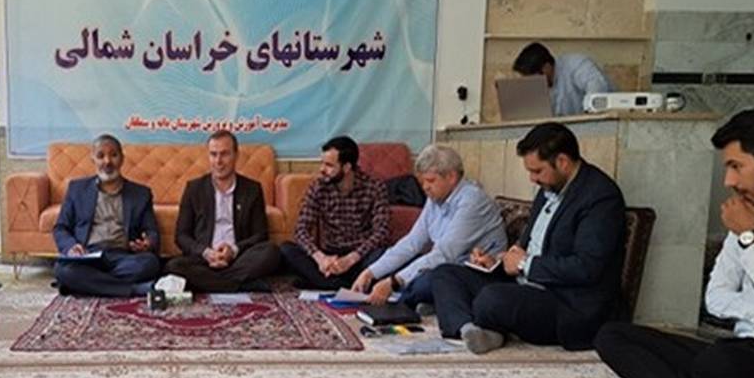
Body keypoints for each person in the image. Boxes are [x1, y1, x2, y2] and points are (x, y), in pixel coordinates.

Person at [595, 108, 754, 378]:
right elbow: (715, 299)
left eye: (736, 166)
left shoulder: (748, 225)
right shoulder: (748, 214)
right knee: (612, 336)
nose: (728, 182)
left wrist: (752, 239)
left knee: (719, 363)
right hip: (744, 348)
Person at [431, 122, 626, 353]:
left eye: (537, 171)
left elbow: (586, 267)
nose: (532, 179)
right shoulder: (549, 188)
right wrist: (497, 262)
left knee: (492, 299)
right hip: (526, 284)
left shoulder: (600, 197)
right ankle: (469, 329)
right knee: (445, 274)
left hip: (565, 302)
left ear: (562, 162)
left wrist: (524, 264)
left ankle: (485, 324)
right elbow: (528, 247)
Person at [351, 144, 507, 310]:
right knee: (379, 260)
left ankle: (409, 300)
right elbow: (412, 242)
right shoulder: (435, 198)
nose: (425, 187)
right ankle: (415, 299)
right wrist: (370, 273)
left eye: (431, 181)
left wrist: (393, 282)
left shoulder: (472, 200)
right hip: (445, 263)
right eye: (422, 182)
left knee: (426, 281)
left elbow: (445, 254)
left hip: (473, 271)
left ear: (451, 177)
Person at [167, 131, 281, 293]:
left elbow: (260, 235)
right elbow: (181, 236)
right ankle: (239, 284)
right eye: (213, 154)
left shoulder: (252, 189)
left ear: (236, 155)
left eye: (224, 154)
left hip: (238, 258)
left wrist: (233, 250)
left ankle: (213, 283)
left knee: (271, 252)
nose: (218, 161)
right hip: (205, 259)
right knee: (174, 266)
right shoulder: (194, 188)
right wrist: (207, 253)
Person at [52, 134, 161, 297]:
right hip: (88, 256)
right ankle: (133, 289)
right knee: (63, 269)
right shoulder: (77, 189)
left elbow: (152, 231)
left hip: (123, 257)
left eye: (113, 155)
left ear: (122, 159)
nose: (107, 162)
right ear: (93, 160)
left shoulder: (140, 193)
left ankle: (85, 285)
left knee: (150, 264)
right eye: (100, 156)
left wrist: (148, 243)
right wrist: (71, 246)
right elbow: (61, 228)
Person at [280, 136, 389, 290]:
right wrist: (320, 258)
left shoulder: (374, 187)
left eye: (329, 165)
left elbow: (382, 232)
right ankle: (345, 284)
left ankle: (327, 283)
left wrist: (351, 259)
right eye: (322, 163)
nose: (322, 169)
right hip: (330, 257)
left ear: (346, 167)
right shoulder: (318, 187)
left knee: (385, 255)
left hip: (360, 257)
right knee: (286, 249)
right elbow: (301, 229)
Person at [513, 41, 612, 117]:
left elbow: (597, 87)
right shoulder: (538, 88)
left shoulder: (576, 64)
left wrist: (589, 113)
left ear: (546, 68)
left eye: (533, 79)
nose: (532, 84)